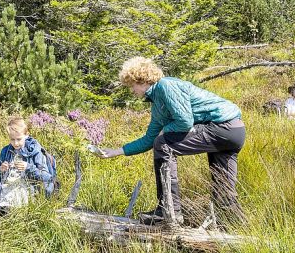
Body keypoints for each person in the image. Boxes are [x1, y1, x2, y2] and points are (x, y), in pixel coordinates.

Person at [99, 57, 246, 227]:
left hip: (223, 127)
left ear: (142, 80)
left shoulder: (165, 86)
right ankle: (235, 226)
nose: (131, 90)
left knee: (163, 144)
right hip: (234, 131)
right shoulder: (157, 104)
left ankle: (168, 210)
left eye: (132, 85)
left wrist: (165, 130)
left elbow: (184, 121)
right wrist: (116, 151)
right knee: (223, 186)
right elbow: (149, 139)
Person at [0, 117, 55, 227]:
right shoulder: (6, 151)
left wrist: (28, 167)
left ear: (27, 135)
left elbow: (47, 177)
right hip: (2, 196)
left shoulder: (35, 152)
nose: (15, 143)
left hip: (23, 197)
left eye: (19, 139)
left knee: (10, 225)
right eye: (12, 139)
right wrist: (1, 170)